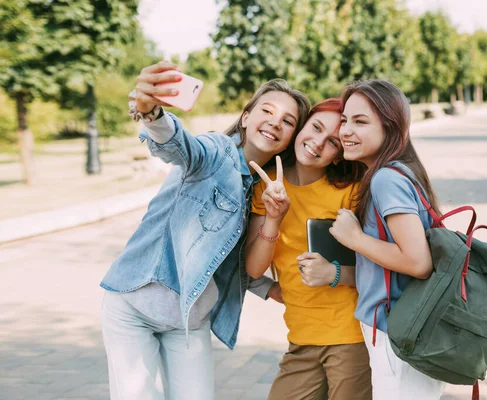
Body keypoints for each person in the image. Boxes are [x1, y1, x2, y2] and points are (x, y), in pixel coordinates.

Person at [99, 60, 310, 400]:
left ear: (289, 140)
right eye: (267, 111)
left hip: (189, 319)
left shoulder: (265, 190)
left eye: (288, 121)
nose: (275, 122)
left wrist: (280, 291)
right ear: (246, 117)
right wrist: (151, 113)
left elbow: (232, 256)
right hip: (136, 301)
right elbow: (180, 146)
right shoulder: (215, 152)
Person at [245, 98, 371, 400]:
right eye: (315, 128)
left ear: (339, 156)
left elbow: (381, 268)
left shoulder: (351, 194)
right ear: (302, 125)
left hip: (351, 336)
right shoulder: (267, 186)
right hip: (300, 338)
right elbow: (253, 269)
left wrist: (335, 273)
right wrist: (274, 219)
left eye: (332, 142)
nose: (316, 143)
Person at [329, 80, 446, 399]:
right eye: (345, 120)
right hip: (405, 326)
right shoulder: (401, 172)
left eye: (361, 121)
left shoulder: (386, 179)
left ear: (391, 128)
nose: (346, 131)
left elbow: (418, 262)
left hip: (396, 329)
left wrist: (354, 238)